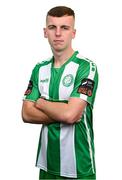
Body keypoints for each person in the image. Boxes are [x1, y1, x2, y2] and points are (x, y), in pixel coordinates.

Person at [22, 6, 98, 180]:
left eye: (64, 28)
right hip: (47, 165)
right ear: (45, 32)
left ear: (73, 33)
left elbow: (71, 115)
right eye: (52, 27)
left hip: (79, 167)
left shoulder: (86, 67)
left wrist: (41, 103)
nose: (58, 33)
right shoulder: (39, 69)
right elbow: (26, 113)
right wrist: (63, 111)